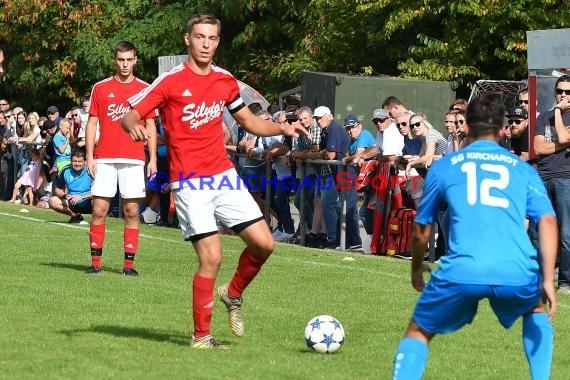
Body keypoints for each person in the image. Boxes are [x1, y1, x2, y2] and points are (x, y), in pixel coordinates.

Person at [121, 14, 307, 349]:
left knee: (265, 244)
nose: (205, 44)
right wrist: (132, 125)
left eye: (211, 38)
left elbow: (249, 121)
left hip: (223, 176)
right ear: (187, 39)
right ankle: (201, 337)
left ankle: (232, 293)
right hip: (190, 182)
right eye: (199, 37)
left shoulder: (225, 80)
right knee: (212, 257)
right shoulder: (169, 81)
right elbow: (131, 114)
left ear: (217, 42)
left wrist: (282, 128)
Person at [391, 94, 558, 380]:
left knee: (419, 331)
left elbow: (422, 227)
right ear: (504, 129)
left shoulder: (445, 166)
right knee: (535, 310)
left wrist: (416, 266)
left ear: (465, 127)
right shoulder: (522, 169)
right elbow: (547, 220)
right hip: (514, 268)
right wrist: (545, 277)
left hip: (462, 269)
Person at [84, 40, 157, 276]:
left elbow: (150, 125)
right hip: (104, 157)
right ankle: (95, 264)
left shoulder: (146, 88)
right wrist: (89, 156)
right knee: (99, 209)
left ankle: (128, 266)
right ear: (114, 60)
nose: (125, 64)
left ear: (135, 60)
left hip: (134, 158)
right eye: (121, 59)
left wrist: (153, 158)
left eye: (129, 60)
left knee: (132, 212)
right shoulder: (101, 88)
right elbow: (92, 122)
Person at [534, 75, 570, 294]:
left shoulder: (552, 115)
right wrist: (561, 143)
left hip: (566, 178)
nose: (563, 96)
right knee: (540, 232)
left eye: (568, 92)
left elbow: (564, 136)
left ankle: (565, 282)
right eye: (560, 91)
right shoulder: (542, 118)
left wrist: (558, 112)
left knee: (566, 234)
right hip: (543, 177)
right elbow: (538, 149)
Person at [312, 105, 350, 249]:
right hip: (332, 172)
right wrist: (322, 153)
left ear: (329, 116)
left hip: (338, 173)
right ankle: (334, 239)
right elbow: (324, 152)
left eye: (320, 118)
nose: (318, 121)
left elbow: (330, 154)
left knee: (329, 204)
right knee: (329, 204)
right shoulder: (326, 130)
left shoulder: (333, 129)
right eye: (316, 118)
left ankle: (334, 240)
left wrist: (320, 154)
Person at [48, 147, 93, 224]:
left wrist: (81, 197)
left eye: (80, 161)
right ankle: (76, 217)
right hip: (72, 202)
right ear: (71, 161)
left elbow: (98, 192)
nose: (77, 164)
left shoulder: (91, 171)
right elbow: (58, 190)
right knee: (52, 201)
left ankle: (96, 222)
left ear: (85, 161)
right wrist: (65, 196)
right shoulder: (65, 171)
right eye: (74, 161)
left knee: (97, 200)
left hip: (88, 202)